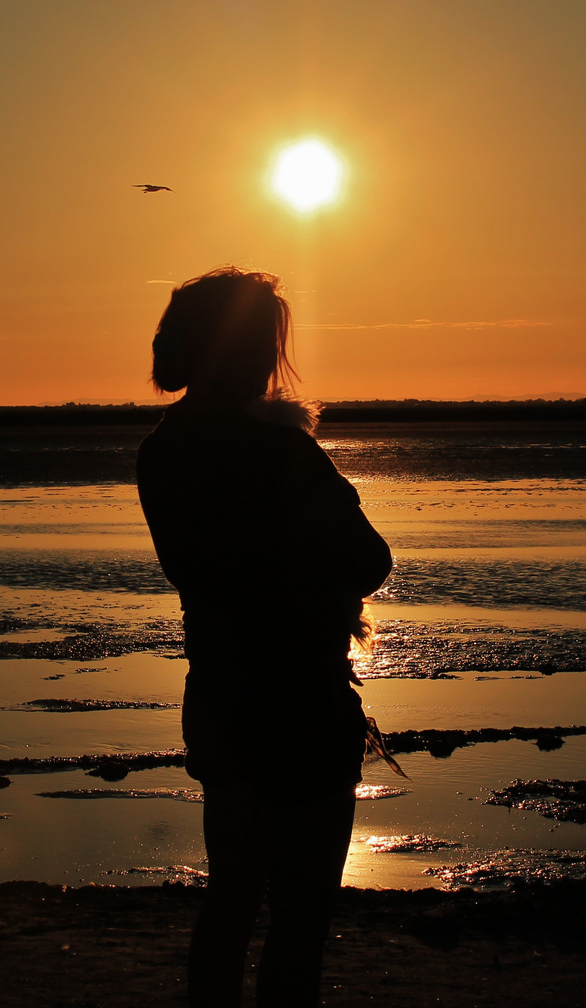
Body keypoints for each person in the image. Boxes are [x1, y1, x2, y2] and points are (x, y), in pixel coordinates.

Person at [136, 268, 393, 1007]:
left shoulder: (160, 451)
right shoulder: (281, 453)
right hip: (301, 702)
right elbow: (370, 560)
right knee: (300, 917)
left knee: (231, 900)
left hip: (218, 692)